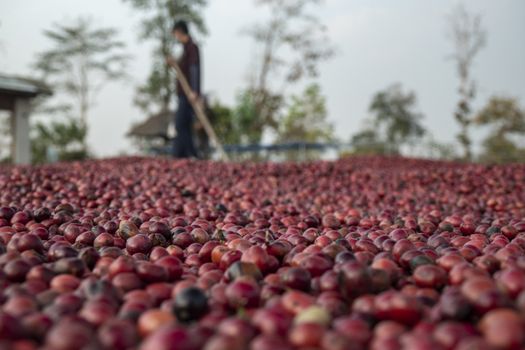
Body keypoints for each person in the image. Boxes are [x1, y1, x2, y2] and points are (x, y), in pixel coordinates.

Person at [166, 20, 201, 159]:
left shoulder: (192, 48)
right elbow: (184, 68)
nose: (175, 37)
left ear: (180, 31)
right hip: (183, 93)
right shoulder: (185, 49)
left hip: (187, 94)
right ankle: (181, 156)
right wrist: (174, 63)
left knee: (180, 124)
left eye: (175, 33)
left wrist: (194, 90)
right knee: (184, 125)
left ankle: (189, 155)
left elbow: (194, 69)